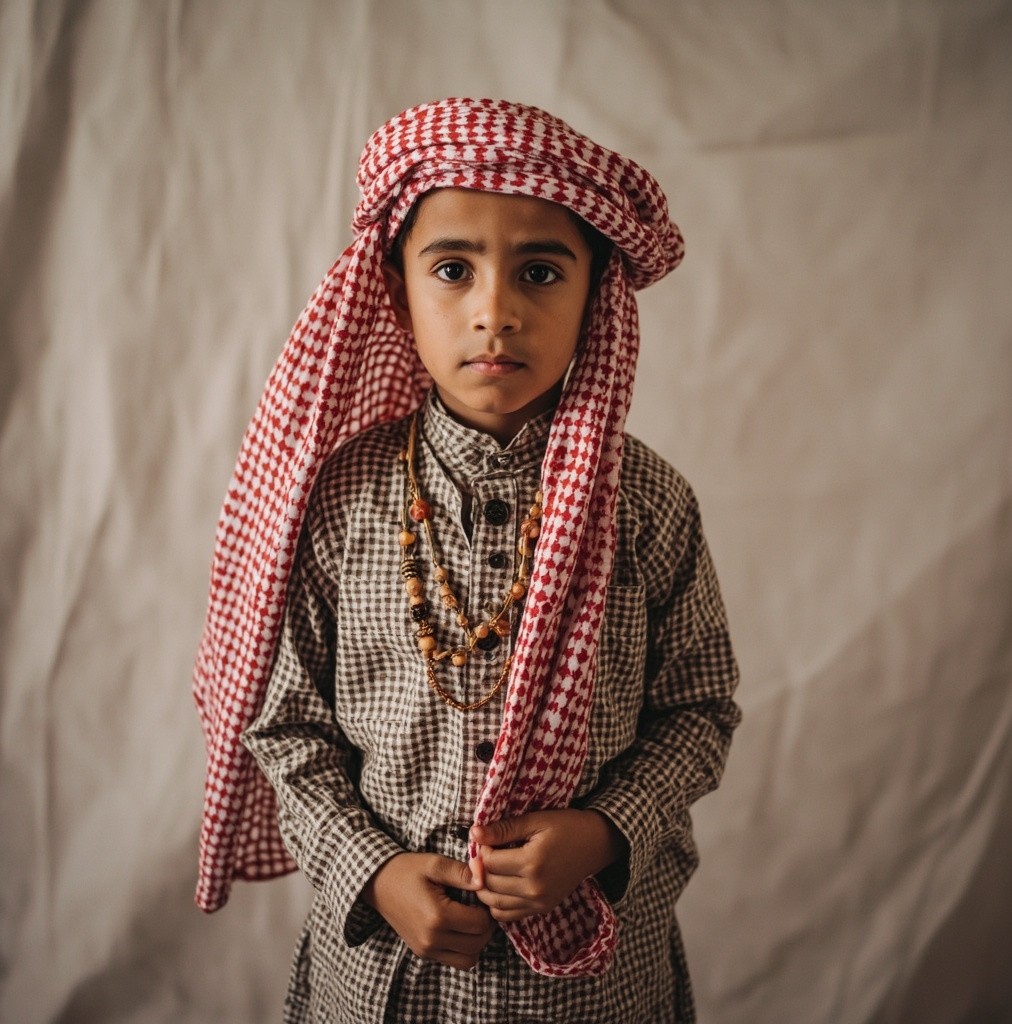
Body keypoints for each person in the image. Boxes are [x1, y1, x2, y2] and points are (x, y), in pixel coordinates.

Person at [192, 98, 741, 1023]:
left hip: (594, 987)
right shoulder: (337, 501)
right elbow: (283, 729)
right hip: (378, 984)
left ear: (594, 292)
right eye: (454, 269)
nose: (497, 312)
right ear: (397, 288)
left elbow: (698, 709)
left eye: (539, 272)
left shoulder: (647, 503)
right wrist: (377, 874)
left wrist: (604, 833)